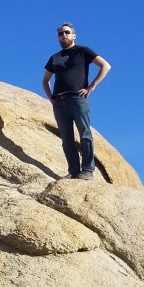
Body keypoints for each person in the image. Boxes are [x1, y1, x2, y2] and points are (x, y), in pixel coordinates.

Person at [42, 22, 111, 180]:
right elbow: (45, 80)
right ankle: (73, 171)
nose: (63, 35)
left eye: (67, 32)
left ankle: (87, 170)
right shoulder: (55, 58)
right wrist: (51, 98)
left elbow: (105, 66)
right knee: (66, 139)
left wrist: (91, 86)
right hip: (59, 101)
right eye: (60, 34)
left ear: (74, 35)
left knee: (85, 134)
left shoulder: (82, 51)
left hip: (78, 99)